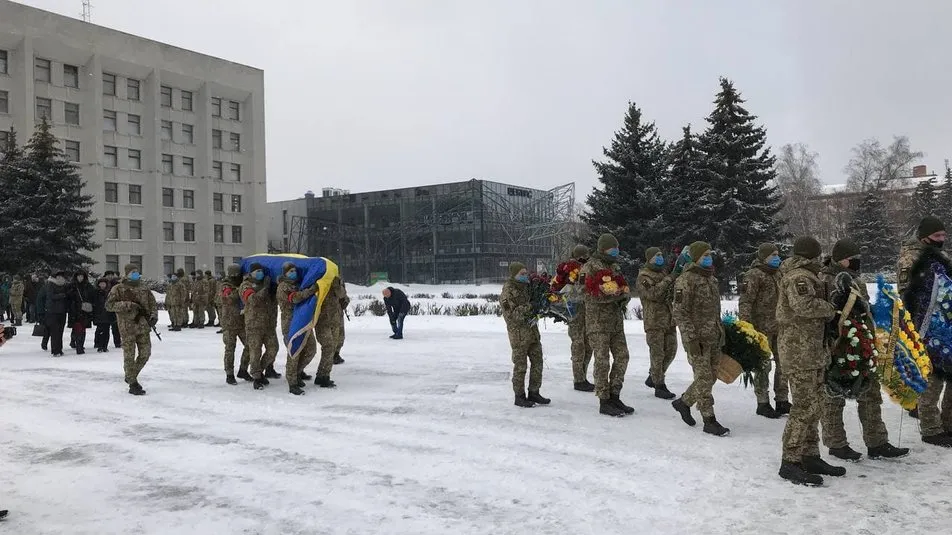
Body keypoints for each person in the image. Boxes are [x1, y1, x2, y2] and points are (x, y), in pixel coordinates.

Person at [819, 239, 909, 460]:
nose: (857, 262)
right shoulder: (825, 280)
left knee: (870, 394)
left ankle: (877, 442)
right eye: (854, 259)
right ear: (842, 260)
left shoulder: (856, 280)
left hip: (863, 344)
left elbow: (864, 310)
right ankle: (836, 444)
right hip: (837, 346)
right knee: (833, 397)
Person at [777, 236, 842, 486]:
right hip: (799, 353)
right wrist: (831, 309)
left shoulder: (808, 274)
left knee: (815, 406)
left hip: (812, 352)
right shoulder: (798, 277)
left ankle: (810, 455)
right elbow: (803, 305)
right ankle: (790, 461)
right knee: (804, 407)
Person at [897, 215, 952, 447]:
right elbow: (907, 293)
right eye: (937, 235)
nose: (941, 239)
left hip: (946, 325)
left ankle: (948, 423)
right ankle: (930, 428)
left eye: (943, 235)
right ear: (924, 237)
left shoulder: (941, 255)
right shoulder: (910, 259)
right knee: (932, 377)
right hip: (925, 327)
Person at [671, 241, 729, 436]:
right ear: (695, 257)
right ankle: (709, 420)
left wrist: (721, 332)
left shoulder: (711, 279)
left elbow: (715, 311)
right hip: (697, 339)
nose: (709, 258)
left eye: (710, 255)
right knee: (704, 378)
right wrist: (690, 338)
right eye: (704, 255)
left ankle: (684, 402)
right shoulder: (686, 280)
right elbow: (680, 312)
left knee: (711, 376)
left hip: (713, 336)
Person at [580, 233, 633, 417]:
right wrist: (612, 295)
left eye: (617, 247)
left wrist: (624, 295)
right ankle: (604, 400)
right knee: (602, 361)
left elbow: (622, 287)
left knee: (623, 356)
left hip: (615, 322)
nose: (616, 250)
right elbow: (584, 293)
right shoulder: (589, 267)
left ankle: (615, 395)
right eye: (613, 247)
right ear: (603, 248)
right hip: (598, 323)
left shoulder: (614, 266)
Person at [738, 243, 786, 418]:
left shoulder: (779, 274)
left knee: (784, 364)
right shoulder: (753, 275)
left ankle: (782, 399)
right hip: (761, 329)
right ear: (764, 257)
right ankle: (763, 402)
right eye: (773, 255)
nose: (777, 258)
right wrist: (746, 326)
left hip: (780, 327)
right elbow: (745, 301)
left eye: (777, 254)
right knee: (763, 366)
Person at [501, 262, 549, 407]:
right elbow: (512, 315)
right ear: (514, 274)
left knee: (538, 363)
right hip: (519, 335)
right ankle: (519, 396)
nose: (525, 276)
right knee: (520, 366)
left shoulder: (528, 287)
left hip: (532, 332)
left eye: (525, 273)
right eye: (521, 274)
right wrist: (531, 306)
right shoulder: (508, 292)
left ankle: (534, 392)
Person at [106, 264, 158, 395]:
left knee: (145, 354)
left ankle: (130, 375)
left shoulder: (144, 288)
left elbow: (153, 304)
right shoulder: (118, 288)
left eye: (137, 272)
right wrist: (127, 305)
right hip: (127, 327)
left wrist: (153, 316)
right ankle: (133, 383)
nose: (136, 274)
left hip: (143, 327)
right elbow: (109, 305)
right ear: (127, 273)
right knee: (129, 356)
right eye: (132, 272)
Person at [552, 244, 594, 392]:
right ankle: (579, 379)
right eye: (583, 256)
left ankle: (582, 377)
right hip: (575, 312)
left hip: (585, 311)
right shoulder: (571, 270)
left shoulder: (586, 268)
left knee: (587, 345)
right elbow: (572, 290)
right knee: (579, 346)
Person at [637, 246, 677, 400]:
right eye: (657, 255)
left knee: (671, 351)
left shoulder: (664, 273)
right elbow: (653, 293)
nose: (660, 257)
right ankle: (659, 385)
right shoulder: (644, 276)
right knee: (657, 353)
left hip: (669, 319)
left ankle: (653, 376)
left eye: (661, 254)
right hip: (654, 321)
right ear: (649, 258)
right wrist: (669, 279)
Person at [276, 262, 318, 395]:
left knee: (311, 349)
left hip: (303, 321)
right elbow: (295, 298)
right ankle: (292, 382)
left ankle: (297, 372)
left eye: (294, 270)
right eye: (290, 271)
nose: (293, 273)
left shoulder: (299, 284)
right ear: (285, 273)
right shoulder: (283, 287)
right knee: (294, 352)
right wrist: (311, 290)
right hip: (290, 323)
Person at [240, 263, 275, 390]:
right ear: (252, 273)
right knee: (255, 352)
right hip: (253, 325)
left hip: (268, 324)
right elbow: (252, 300)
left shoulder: (266, 284)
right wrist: (265, 288)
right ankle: (256, 378)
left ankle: (259, 370)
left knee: (273, 349)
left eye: (262, 271)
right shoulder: (245, 285)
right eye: (257, 271)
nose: (260, 273)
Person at [313, 274, 348, 388]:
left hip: (335, 321)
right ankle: (323, 377)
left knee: (331, 349)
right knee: (328, 347)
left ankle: (322, 375)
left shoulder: (336, 282)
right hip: (322, 321)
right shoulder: (317, 281)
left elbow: (342, 295)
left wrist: (337, 285)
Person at [220, 264, 250, 384]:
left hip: (242, 322)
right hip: (229, 323)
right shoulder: (225, 285)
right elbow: (229, 297)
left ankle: (243, 369)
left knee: (250, 346)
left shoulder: (241, 284)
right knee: (230, 349)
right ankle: (229, 374)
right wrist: (241, 289)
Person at [67, 270, 96, 355]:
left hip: (85, 311)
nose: (80, 278)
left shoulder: (88, 286)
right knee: (78, 328)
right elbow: (68, 297)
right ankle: (79, 346)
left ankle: (78, 344)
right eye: (79, 276)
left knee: (82, 329)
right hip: (75, 311)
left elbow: (93, 296)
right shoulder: (72, 286)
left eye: (82, 276)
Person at [44, 271, 69, 357]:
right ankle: (55, 350)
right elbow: (50, 296)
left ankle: (59, 349)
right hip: (53, 312)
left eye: (62, 277)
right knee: (55, 332)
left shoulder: (65, 286)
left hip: (62, 311)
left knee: (60, 331)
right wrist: (62, 295)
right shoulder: (51, 284)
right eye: (58, 277)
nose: (60, 279)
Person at [92, 276, 113, 352]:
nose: (102, 285)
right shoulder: (96, 292)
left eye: (104, 283)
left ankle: (105, 346)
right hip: (99, 314)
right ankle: (100, 345)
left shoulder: (110, 292)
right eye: (101, 283)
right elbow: (94, 303)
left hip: (107, 314)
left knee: (106, 331)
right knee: (100, 330)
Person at [103, 271, 122, 348]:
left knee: (116, 327)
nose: (110, 277)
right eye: (108, 275)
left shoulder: (117, 285)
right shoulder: (102, 283)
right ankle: (100, 343)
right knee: (104, 327)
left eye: (111, 275)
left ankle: (117, 342)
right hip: (104, 309)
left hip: (114, 308)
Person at [35, 274, 50, 351]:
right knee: (47, 328)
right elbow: (39, 301)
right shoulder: (44, 289)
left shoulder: (44, 288)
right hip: (45, 311)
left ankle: (44, 343)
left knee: (48, 329)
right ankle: (44, 343)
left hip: (46, 311)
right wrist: (41, 313)